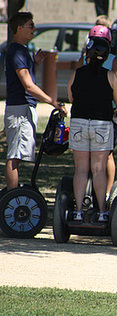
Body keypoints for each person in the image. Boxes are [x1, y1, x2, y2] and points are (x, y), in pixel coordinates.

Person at [4, 12, 67, 190]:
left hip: (24, 108)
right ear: (20, 28)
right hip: (19, 110)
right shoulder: (16, 50)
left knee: (18, 155)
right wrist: (53, 102)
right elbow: (28, 86)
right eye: (31, 25)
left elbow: (24, 79)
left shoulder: (22, 51)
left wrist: (36, 63)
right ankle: (12, 196)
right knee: (14, 156)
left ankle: (13, 194)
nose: (35, 29)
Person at [67, 37, 117, 223]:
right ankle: (101, 212)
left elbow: (71, 96)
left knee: (81, 169)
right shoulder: (110, 76)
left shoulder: (78, 73)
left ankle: (77, 211)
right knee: (99, 169)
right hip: (102, 124)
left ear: (88, 54)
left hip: (79, 123)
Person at [80, 23, 117, 199]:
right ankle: (107, 192)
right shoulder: (113, 60)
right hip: (106, 111)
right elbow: (116, 86)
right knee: (107, 154)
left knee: (87, 158)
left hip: (85, 111)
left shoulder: (85, 58)